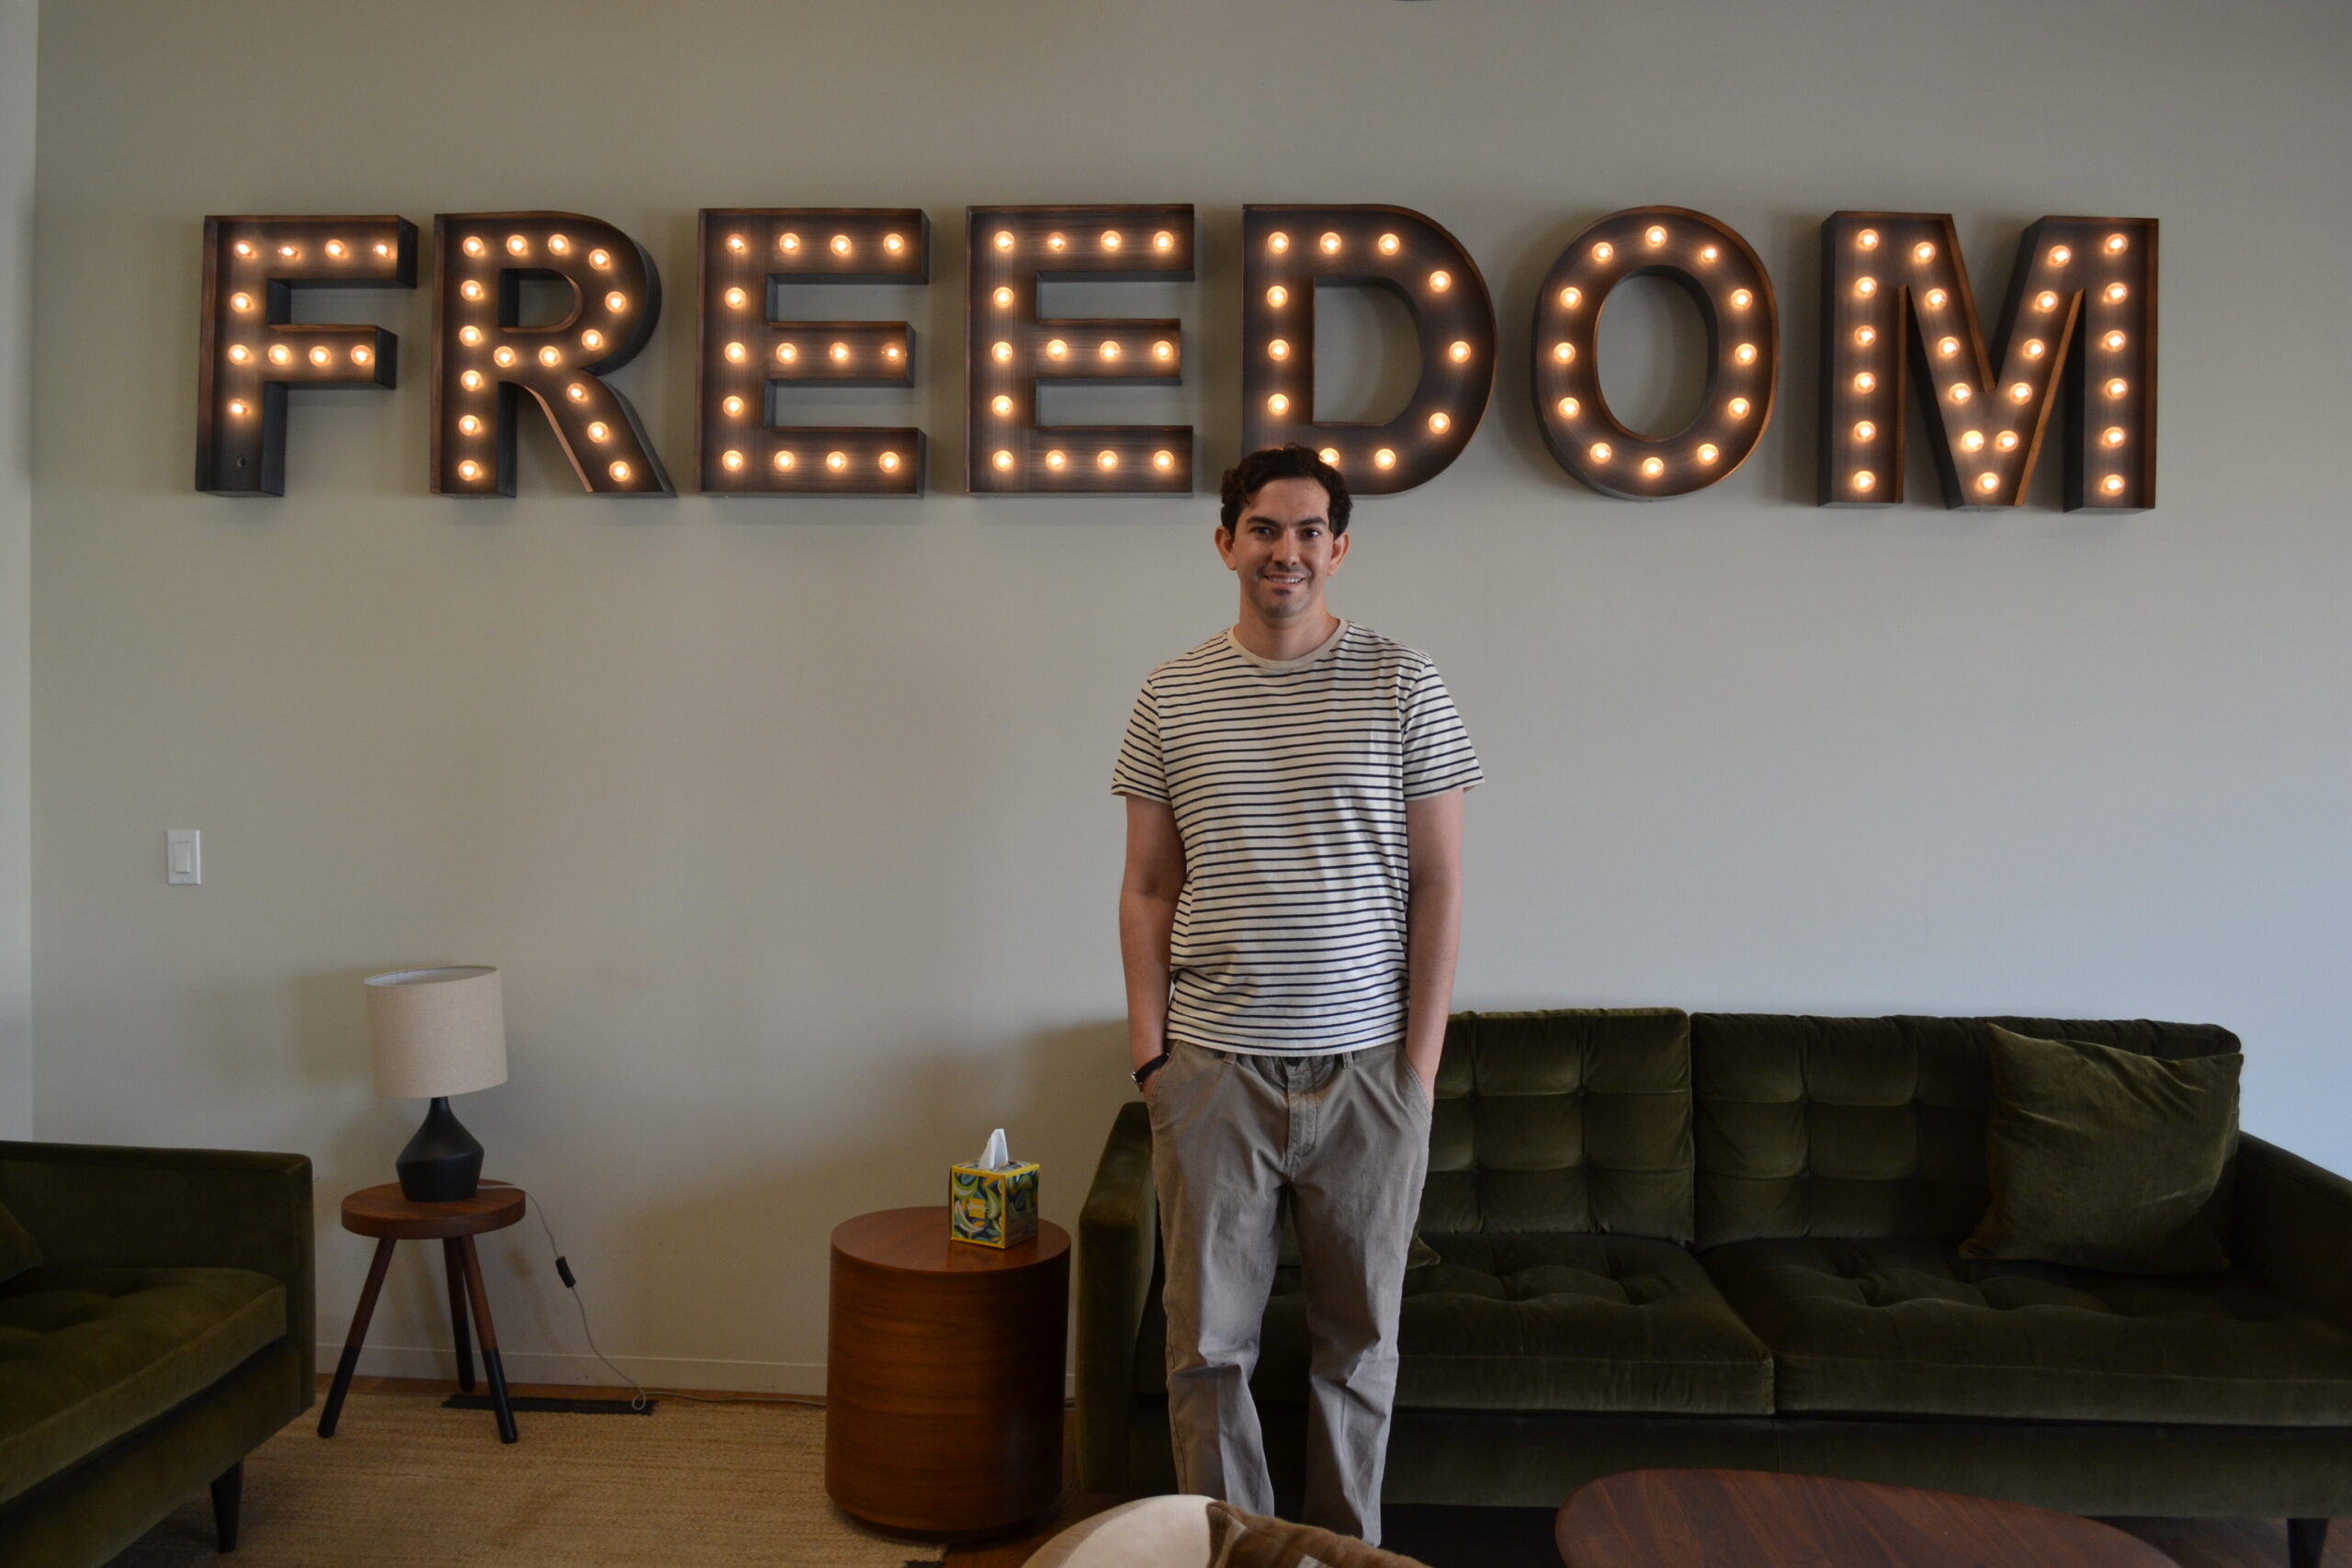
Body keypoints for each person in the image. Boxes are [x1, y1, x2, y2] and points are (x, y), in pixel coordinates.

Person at [1110, 444, 1481, 1543]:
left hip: (1366, 1079)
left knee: (1358, 1350)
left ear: (1339, 548)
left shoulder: (1403, 682)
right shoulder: (1170, 694)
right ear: (1226, 542)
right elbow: (1144, 888)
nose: (1287, 550)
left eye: (1310, 530)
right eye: (1264, 528)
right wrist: (1152, 1060)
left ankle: (1340, 1560)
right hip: (1212, 1074)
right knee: (1207, 1353)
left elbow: (1441, 885)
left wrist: (1414, 1071)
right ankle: (1230, 1556)